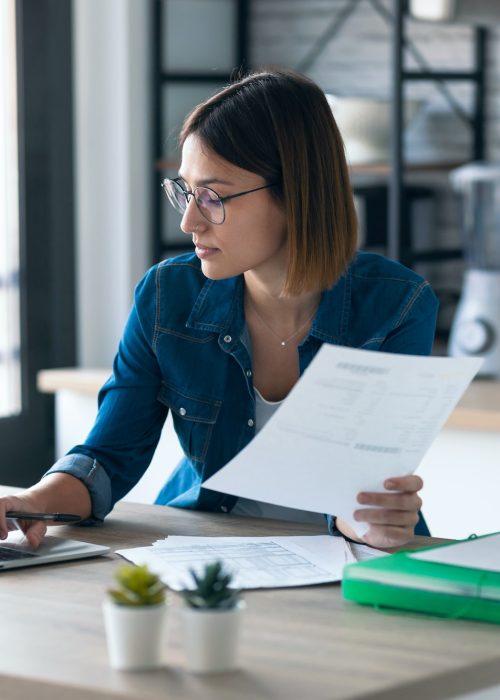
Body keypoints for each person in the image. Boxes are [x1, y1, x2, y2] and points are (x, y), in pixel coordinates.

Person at [0, 69, 438, 551]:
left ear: (295, 194)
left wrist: (372, 520)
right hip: (205, 548)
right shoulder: (167, 295)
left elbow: (364, 493)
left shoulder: (397, 306)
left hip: (350, 558)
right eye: (185, 192)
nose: (189, 220)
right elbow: (107, 459)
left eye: (211, 196)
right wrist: (32, 502)